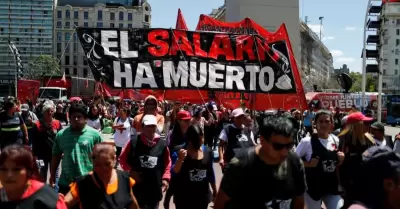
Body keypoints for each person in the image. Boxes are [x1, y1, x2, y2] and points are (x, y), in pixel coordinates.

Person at [213, 116, 307, 209]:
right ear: (262, 141)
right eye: (278, 146)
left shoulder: (295, 162)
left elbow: (299, 201)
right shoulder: (240, 165)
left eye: (289, 145)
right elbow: (220, 204)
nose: (284, 152)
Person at [50, 103, 104, 195]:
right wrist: (52, 175)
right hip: (66, 184)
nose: (76, 119)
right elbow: (56, 156)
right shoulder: (61, 135)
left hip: (88, 183)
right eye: (73, 117)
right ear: (69, 118)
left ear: (85, 118)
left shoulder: (95, 135)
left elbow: (102, 158)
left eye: (79, 117)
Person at [64, 143, 140, 209]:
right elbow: (64, 204)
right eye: (98, 165)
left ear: (114, 159)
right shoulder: (83, 183)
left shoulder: (125, 180)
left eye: (107, 164)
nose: (103, 169)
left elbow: (132, 203)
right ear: (92, 162)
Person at [119, 114, 171, 209]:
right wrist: (130, 171)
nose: (151, 129)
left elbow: (167, 163)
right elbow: (122, 158)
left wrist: (165, 179)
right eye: (148, 126)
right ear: (142, 127)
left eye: (153, 126)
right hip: (136, 189)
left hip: (154, 189)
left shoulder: (162, 143)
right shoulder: (133, 141)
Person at [296, 110, 345, 209]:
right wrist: (307, 164)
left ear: (332, 124)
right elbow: (292, 162)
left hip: (332, 187)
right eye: (321, 121)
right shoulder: (307, 142)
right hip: (313, 189)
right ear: (315, 124)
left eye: (327, 121)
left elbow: (335, 165)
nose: (324, 124)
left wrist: (341, 159)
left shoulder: (336, 140)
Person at [0, 145, 67, 209]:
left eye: (16, 169)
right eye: (3, 169)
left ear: (29, 171)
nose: (9, 175)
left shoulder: (48, 199)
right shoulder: (2, 196)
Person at [171, 125, 217, 209]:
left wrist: (215, 190)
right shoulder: (179, 151)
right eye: (198, 140)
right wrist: (180, 159)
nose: (201, 142)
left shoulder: (207, 151)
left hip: (202, 198)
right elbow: (174, 172)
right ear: (189, 139)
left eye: (201, 139)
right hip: (184, 199)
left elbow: (210, 173)